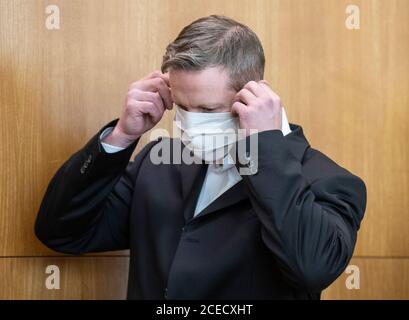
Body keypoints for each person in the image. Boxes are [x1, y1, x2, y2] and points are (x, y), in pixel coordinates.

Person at [35, 15, 366, 299]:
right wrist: (122, 136)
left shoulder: (328, 180)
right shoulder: (158, 163)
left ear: (256, 95)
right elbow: (63, 232)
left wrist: (267, 148)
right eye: (182, 107)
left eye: (208, 109)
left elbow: (312, 269)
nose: (191, 123)